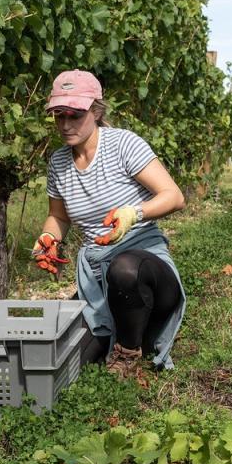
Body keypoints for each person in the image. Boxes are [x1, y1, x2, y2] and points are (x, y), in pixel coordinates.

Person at [32, 70, 187, 378]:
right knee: (69, 359)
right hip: (97, 276)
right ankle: (124, 330)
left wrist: (134, 213)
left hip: (145, 267)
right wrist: (49, 237)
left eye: (74, 115)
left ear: (97, 111)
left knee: (124, 268)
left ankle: (129, 352)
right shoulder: (58, 163)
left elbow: (174, 196)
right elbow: (59, 217)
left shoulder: (122, 145)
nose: (65, 124)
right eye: (58, 116)